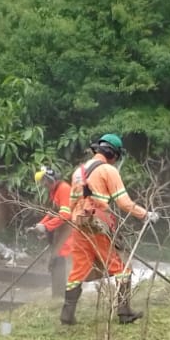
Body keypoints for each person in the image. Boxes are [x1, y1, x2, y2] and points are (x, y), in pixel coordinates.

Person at [61, 133, 157, 326]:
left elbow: (70, 203)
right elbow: (124, 202)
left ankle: (67, 315)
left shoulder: (79, 171)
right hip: (98, 224)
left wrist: (66, 220)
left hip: (79, 224)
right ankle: (124, 312)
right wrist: (145, 215)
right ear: (113, 154)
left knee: (78, 270)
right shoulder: (108, 171)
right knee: (122, 268)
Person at [28, 166, 73, 298]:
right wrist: (41, 224)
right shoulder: (55, 190)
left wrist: (47, 227)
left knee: (61, 256)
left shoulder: (64, 189)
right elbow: (53, 212)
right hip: (63, 229)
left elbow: (65, 215)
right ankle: (58, 293)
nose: (44, 185)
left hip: (71, 229)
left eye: (45, 181)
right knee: (57, 255)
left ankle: (62, 294)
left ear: (51, 179)